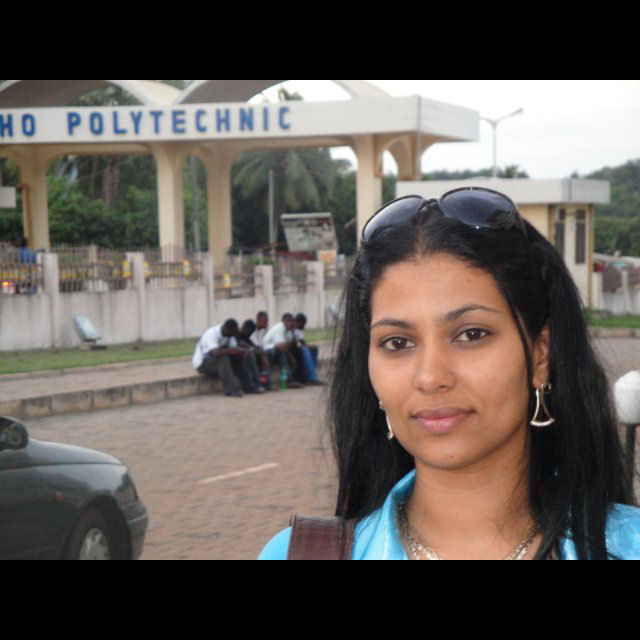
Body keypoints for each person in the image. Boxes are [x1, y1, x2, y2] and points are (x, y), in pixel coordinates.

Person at [259, 187, 640, 559]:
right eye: (397, 342)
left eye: (471, 334)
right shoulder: (297, 554)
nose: (430, 377)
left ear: (541, 355)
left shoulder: (629, 545)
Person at [193, 319, 264, 397]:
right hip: (202, 363)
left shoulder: (229, 334)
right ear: (227, 329)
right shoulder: (211, 334)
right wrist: (232, 350)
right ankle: (230, 390)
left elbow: (235, 348)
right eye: (232, 334)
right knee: (223, 358)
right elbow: (215, 353)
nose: (233, 336)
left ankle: (248, 387)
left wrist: (245, 351)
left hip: (216, 362)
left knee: (243, 356)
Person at [262, 313, 303, 389]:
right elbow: (281, 346)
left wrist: (293, 331)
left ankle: (290, 380)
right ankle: (267, 383)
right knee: (280, 353)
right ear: (283, 321)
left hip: (275, 350)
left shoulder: (288, 331)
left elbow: (292, 344)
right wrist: (291, 357)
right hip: (266, 349)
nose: (289, 323)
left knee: (285, 354)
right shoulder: (280, 327)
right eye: (288, 321)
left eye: (291, 321)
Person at [290, 312, 322, 385]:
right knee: (305, 350)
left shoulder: (298, 330)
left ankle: (312, 374)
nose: (304, 326)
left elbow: (302, 342)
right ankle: (312, 378)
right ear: (299, 322)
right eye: (303, 324)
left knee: (314, 349)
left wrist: (310, 346)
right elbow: (292, 343)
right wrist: (305, 346)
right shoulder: (291, 326)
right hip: (290, 350)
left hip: (297, 349)